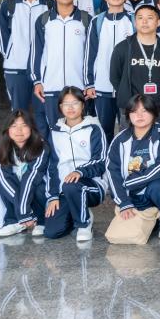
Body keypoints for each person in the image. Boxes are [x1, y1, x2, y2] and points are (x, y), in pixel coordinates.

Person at [106, 95, 160, 239]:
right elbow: (112, 172)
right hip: (132, 194)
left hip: (154, 190)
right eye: (134, 111)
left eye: (144, 111)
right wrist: (123, 203)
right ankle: (151, 219)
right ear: (128, 115)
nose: (139, 115)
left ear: (153, 113)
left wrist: (132, 181)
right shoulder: (120, 139)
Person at [30, 0, 94, 138]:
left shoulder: (86, 19)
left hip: (79, 87)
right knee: (54, 131)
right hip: (51, 86)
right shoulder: (44, 20)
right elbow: (36, 52)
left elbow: (92, 54)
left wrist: (89, 83)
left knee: (80, 131)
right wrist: (37, 81)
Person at [43, 87, 107, 241]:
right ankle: (79, 211)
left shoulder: (94, 128)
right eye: (66, 104)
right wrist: (53, 196)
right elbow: (52, 167)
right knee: (52, 232)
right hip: (64, 189)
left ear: (83, 105)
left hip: (92, 185)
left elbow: (101, 161)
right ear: (60, 107)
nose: (70, 107)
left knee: (71, 186)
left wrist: (80, 171)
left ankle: (84, 224)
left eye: (75, 103)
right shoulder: (55, 132)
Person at [0, 0, 51, 119]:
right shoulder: (9, 4)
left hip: (43, 69)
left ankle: (43, 137)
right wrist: (10, 55)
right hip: (16, 68)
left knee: (43, 113)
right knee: (19, 113)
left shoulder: (49, 4)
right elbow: (1, 34)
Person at [109, 5, 160, 128]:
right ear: (135, 22)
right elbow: (115, 77)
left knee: (159, 140)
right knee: (129, 140)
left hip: (159, 109)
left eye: (149, 18)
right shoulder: (122, 47)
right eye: (140, 18)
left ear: (158, 22)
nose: (144, 22)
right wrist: (127, 95)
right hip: (131, 109)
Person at [88, 0, 134, 139]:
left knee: (129, 130)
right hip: (102, 86)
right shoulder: (97, 21)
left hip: (129, 87)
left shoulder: (133, 20)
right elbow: (90, 54)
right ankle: (106, 156)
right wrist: (89, 83)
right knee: (104, 130)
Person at [0, 110, 50, 237]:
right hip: (19, 199)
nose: (19, 130)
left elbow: (31, 178)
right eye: (14, 126)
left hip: (37, 191)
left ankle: (41, 220)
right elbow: (5, 181)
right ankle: (14, 222)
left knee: (37, 185)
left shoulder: (41, 147)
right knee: (3, 188)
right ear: (8, 130)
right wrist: (23, 214)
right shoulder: (2, 152)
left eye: (24, 125)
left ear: (31, 128)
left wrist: (24, 212)